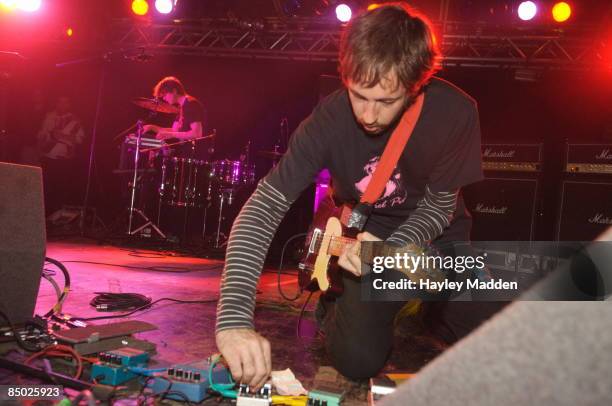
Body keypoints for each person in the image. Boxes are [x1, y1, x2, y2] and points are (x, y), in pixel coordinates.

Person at [215, 3, 492, 387]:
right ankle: (337, 302)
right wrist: (233, 321)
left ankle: (426, 308)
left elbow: (439, 206)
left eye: (386, 101)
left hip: (434, 242)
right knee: (358, 361)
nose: (369, 115)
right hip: (359, 247)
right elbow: (263, 209)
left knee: (498, 333)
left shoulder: (456, 112)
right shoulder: (328, 119)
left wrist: (393, 249)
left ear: (418, 85)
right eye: (359, 95)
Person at [36, 95, 85, 215]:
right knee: (45, 187)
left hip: (62, 159)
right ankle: (44, 214)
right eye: (60, 102)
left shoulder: (75, 120)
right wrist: (44, 140)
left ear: (69, 105)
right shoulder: (49, 116)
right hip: (47, 156)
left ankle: (57, 215)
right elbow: (42, 134)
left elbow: (80, 139)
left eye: (65, 102)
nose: (62, 105)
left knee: (60, 189)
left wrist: (62, 137)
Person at [143, 76, 208, 159]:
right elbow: (175, 130)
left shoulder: (191, 104)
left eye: (165, 94)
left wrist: (170, 135)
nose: (163, 98)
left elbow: (196, 134)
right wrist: (151, 127)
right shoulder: (181, 107)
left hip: (196, 156)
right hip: (187, 154)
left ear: (174, 91)